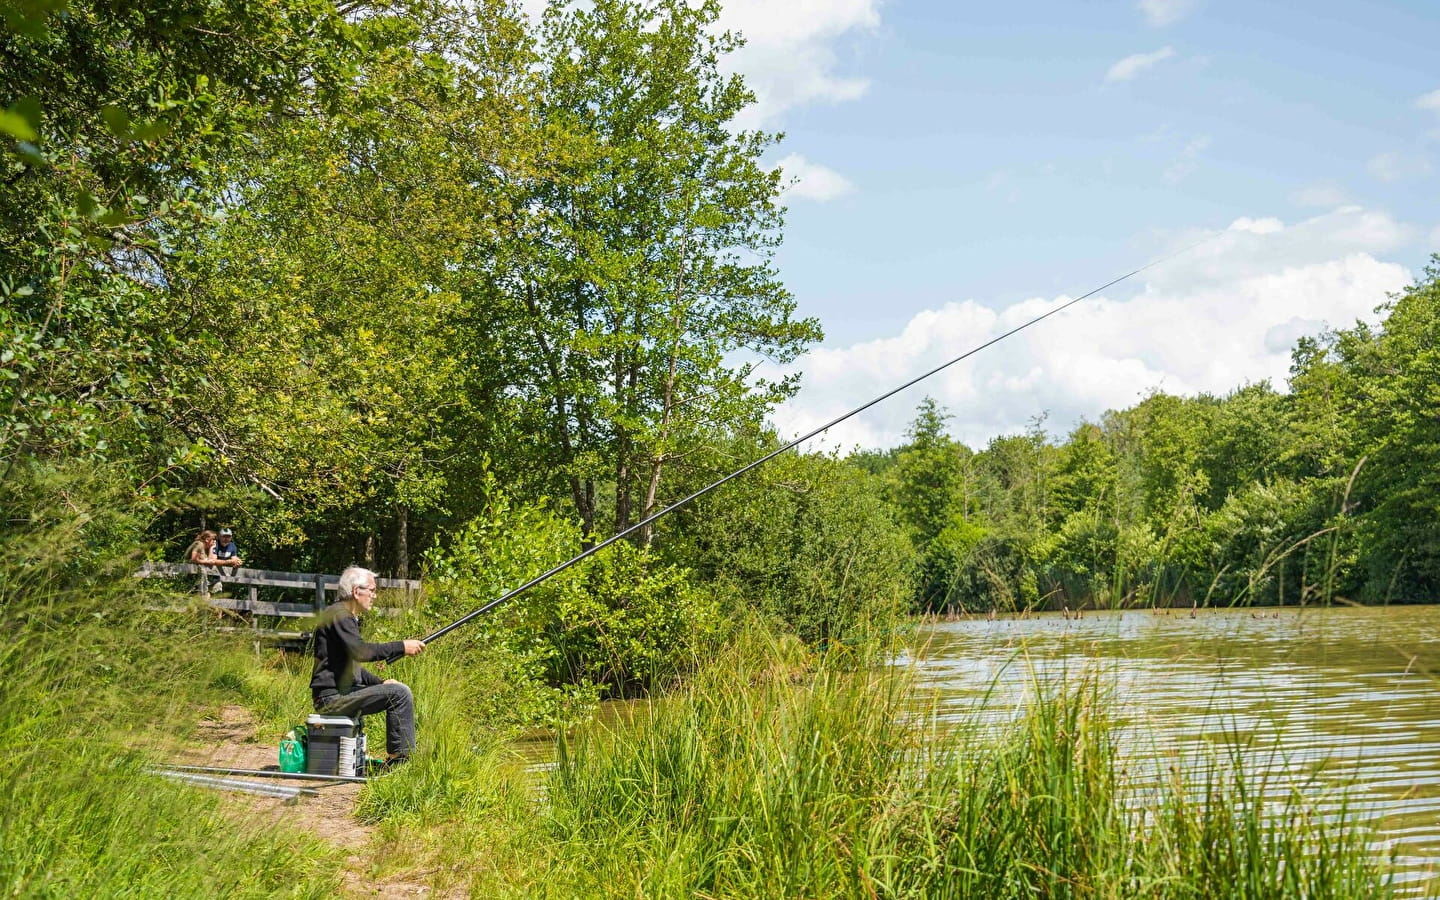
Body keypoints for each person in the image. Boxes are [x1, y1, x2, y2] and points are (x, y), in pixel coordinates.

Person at [310, 566, 426, 769]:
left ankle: (398, 760)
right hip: (331, 699)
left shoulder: (341, 615)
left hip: (336, 695)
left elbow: (353, 665)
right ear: (356, 591)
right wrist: (401, 646)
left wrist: (381, 682)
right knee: (400, 694)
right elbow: (361, 652)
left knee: (394, 690)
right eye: (371, 590)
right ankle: (399, 763)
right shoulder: (340, 615)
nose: (375, 595)